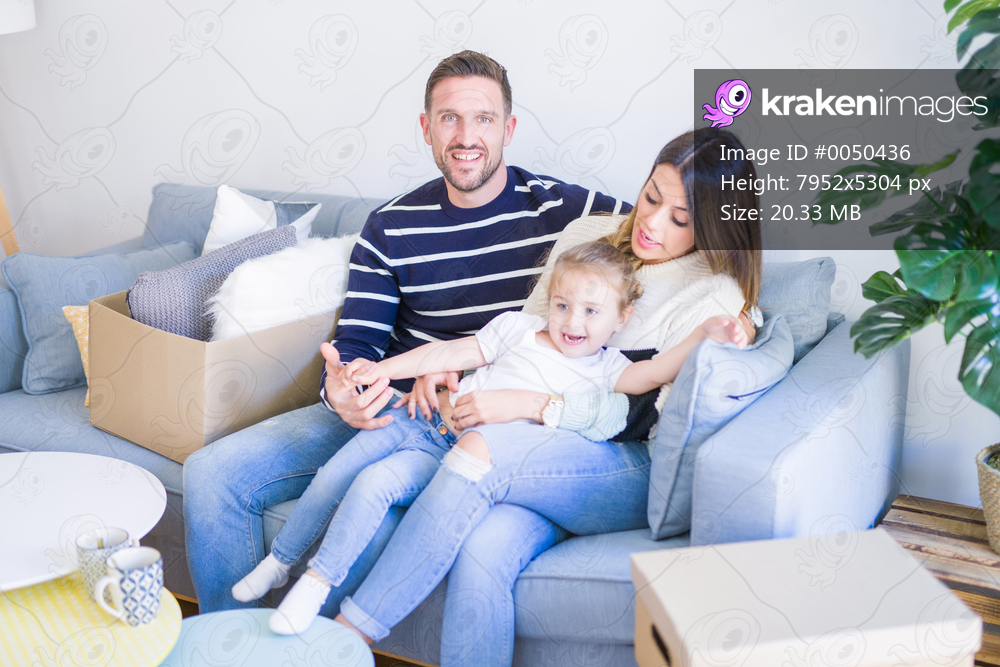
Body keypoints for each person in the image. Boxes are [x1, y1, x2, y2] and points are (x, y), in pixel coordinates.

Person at [182, 50, 629, 615]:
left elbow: (667, 232)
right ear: (426, 127)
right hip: (392, 407)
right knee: (210, 473)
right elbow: (358, 344)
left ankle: (318, 643)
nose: (466, 137)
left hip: (485, 424)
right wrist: (343, 390)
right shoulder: (391, 226)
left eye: (484, 119)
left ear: (509, 128)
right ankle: (230, 645)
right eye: (449, 118)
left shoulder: (567, 210)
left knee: (378, 514)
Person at [326, 127, 764, 657]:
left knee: (480, 451)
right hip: (535, 442)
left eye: (680, 219)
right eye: (651, 197)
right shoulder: (591, 235)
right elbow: (525, 344)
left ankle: (348, 635)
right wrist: (446, 373)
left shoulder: (714, 293)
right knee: (483, 548)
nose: (651, 223)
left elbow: (644, 415)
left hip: (618, 459)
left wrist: (536, 407)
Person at [236, 239, 748, 635]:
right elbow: (447, 355)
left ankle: (316, 586)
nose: (572, 322)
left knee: (375, 483)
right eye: (563, 305)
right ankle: (281, 564)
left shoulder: (609, 369)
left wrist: (706, 334)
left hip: (452, 458)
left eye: (592, 312)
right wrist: (380, 370)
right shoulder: (517, 329)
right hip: (427, 423)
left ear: (622, 319)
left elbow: (656, 371)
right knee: (340, 471)